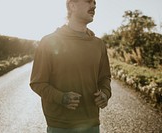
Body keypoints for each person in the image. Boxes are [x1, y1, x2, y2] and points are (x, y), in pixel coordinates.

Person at [30, 0, 111, 132]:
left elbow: (105, 77)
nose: (94, 5)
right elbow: (37, 83)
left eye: (95, 2)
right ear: (72, 5)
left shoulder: (99, 44)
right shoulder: (48, 41)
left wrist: (106, 94)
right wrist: (61, 98)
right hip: (60, 125)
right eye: (88, 1)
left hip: (91, 124)